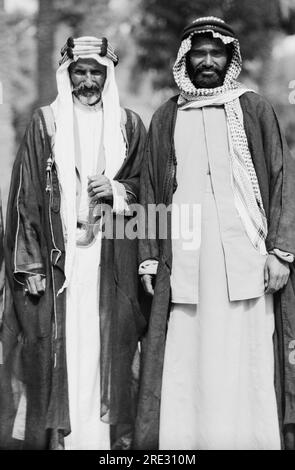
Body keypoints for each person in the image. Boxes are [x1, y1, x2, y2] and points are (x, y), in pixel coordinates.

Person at [134, 17, 295, 450]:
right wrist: (149, 255)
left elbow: (282, 179)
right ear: (186, 57)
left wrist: (280, 252)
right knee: (190, 356)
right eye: (198, 53)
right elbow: (151, 188)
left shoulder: (254, 107)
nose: (207, 61)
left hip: (247, 257)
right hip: (185, 260)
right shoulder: (167, 115)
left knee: (247, 357)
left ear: (229, 58)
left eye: (216, 52)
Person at [1, 36, 146, 450]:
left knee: (108, 345)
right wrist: (28, 264)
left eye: (95, 72)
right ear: (68, 74)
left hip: (113, 258)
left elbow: (148, 188)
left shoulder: (129, 124)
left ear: (107, 74)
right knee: (61, 345)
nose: (88, 80)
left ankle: (104, 443)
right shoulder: (46, 122)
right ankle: (61, 440)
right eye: (79, 72)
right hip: (57, 263)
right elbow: (25, 195)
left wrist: (117, 189)